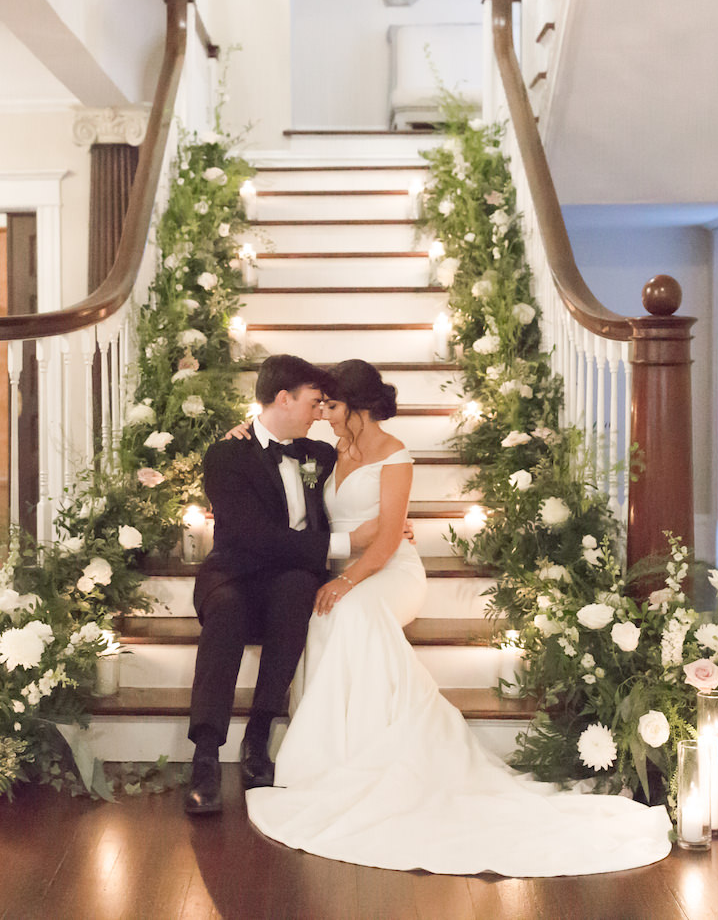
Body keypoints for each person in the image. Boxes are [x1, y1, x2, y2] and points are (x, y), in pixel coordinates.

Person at [241, 359, 674, 876]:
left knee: (350, 612)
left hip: (389, 573)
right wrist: (243, 432)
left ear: (356, 407)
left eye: (331, 406)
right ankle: (337, 750)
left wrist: (346, 579)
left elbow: (384, 543)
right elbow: (274, 446)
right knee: (324, 616)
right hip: (347, 572)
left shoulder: (396, 456)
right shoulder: (330, 452)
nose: (323, 415)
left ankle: (374, 749)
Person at [184, 354, 379, 815]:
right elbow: (253, 536)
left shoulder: (320, 455)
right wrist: (343, 543)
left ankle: (258, 739)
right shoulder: (227, 453)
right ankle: (205, 756)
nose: (318, 414)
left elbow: (370, 478)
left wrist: (390, 526)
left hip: (288, 579)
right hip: (234, 570)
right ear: (284, 398)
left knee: (297, 591)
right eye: (314, 403)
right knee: (227, 610)